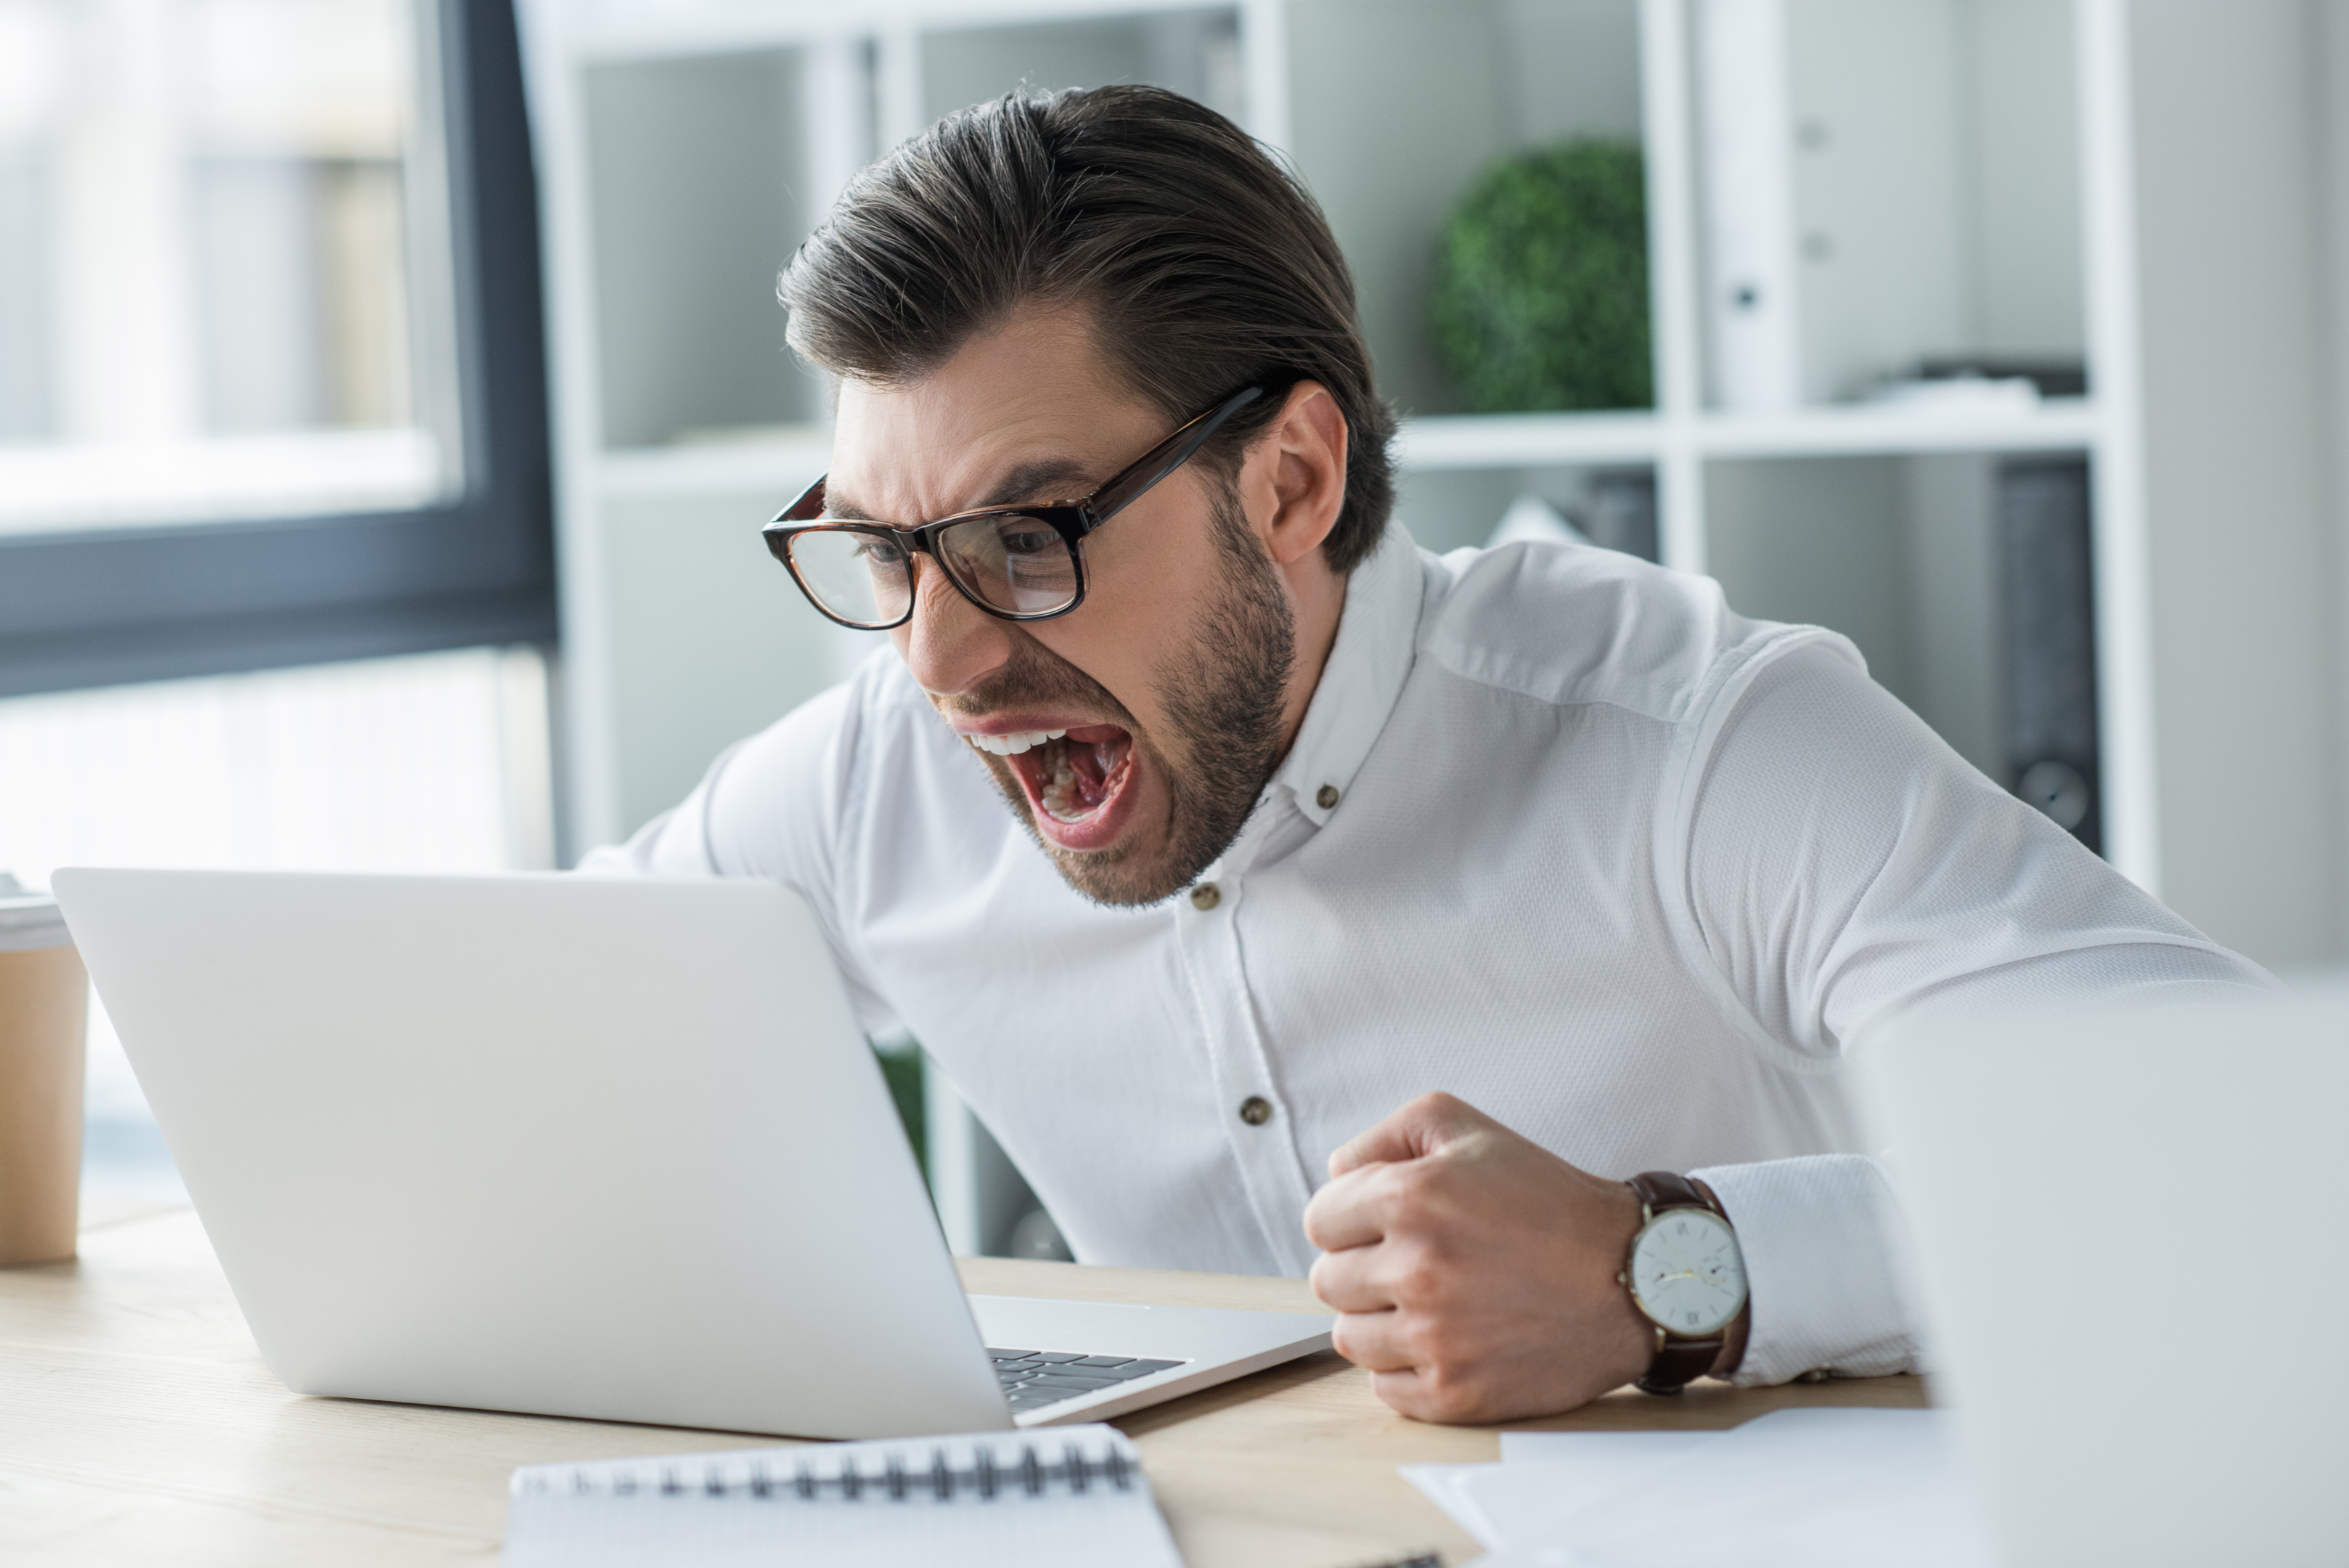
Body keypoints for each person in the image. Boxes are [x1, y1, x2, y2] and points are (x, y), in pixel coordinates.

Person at [584, 85, 2266, 1421]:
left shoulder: (1685, 744)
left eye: (1028, 536)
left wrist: (1659, 1272)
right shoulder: (870, 779)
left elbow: (2246, 1164)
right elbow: (511, 1021)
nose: (940, 663)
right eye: (886, 552)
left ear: (1292, 483)